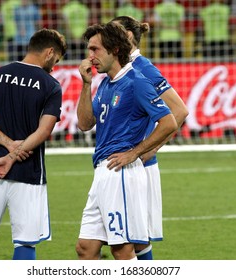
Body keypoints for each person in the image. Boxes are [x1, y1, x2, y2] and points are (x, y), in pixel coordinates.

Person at [75, 21, 178, 260]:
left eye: (95, 49)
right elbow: (84, 124)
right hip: (102, 171)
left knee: (122, 251)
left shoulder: (136, 81)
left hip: (120, 172)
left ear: (115, 50)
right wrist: (86, 84)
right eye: (89, 50)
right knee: (85, 248)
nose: (90, 56)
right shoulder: (104, 83)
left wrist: (135, 153)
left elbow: (169, 121)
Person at [0, 28, 67, 260]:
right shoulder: (51, 85)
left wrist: (7, 145)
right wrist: (15, 153)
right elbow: (44, 130)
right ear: (49, 52)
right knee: (26, 241)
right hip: (28, 172)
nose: (54, 66)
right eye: (56, 59)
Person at [111, 15, 188, 260]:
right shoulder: (119, 68)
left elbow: (179, 110)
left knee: (133, 241)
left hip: (137, 165)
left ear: (128, 37)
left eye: (112, 32)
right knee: (121, 241)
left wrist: (150, 149)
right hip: (118, 163)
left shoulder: (142, 68)